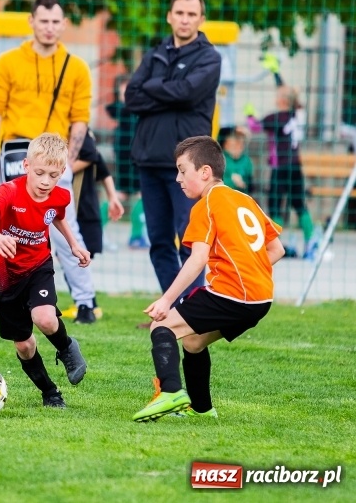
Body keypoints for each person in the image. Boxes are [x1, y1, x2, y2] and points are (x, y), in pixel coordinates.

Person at [132, 136, 284, 422]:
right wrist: (249, 269)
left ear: (204, 172)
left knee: (161, 325)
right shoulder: (246, 200)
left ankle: (170, 392)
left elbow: (198, 258)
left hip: (231, 294)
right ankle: (202, 410)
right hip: (261, 300)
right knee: (193, 341)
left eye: (182, 170)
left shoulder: (206, 204)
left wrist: (166, 300)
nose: (178, 179)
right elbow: (277, 249)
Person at [0, 0, 98, 324]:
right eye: (43, 21)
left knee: (65, 227)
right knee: (10, 228)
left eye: (55, 21)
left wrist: (68, 162)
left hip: (56, 159)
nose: (49, 27)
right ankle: (6, 293)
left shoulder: (76, 67)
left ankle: (85, 300)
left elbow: (80, 119)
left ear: (64, 24)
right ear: (31, 21)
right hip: (17, 155)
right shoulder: (7, 61)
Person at [0, 133, 91, 408]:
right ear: (26, 166)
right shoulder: (9, 191)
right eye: (39, 173)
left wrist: (74, 245)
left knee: (45, 319)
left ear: (63, 172)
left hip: (38, 266)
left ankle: (66, 347)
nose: (46, 181)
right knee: (24, 345)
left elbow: (56, 215)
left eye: (53, 175)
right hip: (7, 278)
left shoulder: (60, 195)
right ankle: (50, 391)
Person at [125, 0, 221, 328]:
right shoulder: (155, 54)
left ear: (201, 19)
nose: (184, 19)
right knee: (160, 242)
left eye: (191, 14)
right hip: (149, 161)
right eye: (179, 12)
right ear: (169, 16)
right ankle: (170, 312)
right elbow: (131, 97)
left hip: (188, 165)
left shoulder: (209, 58)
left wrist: (154, 88)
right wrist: (169, 91)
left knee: (191, 241)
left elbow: (188, 93)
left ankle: (193, 315)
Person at [245, 86, 315, 257]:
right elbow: (290, 93)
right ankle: (312, 243)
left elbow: (254, 127)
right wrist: (276, 75)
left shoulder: (275, 118)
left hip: (280, 167)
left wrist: (249, 114)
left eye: (278, 95)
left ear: (283, 100)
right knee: (299, 204)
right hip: (295, 166)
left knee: (275, 205)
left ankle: (275, 246)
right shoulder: (296, 115)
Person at [67, 130, 124, 322]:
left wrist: (113, 197)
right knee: (69, 259)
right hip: (70, 213)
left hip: (85, 212)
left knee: (81, 258)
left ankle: (89, 304)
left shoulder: (84, 142)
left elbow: (100, 167)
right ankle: (83, 302)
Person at [105, 74, 148, 248]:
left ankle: (137, 235)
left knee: (141, 194)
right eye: (123, 88)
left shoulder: (140, 108)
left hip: (140, 157)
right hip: (125, 159)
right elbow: (113, 110)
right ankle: (97, 230)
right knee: (121, 193)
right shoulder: (121, 109)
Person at [220, 127, 254, 193]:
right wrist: (232, 181)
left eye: (240, 146)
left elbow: (250, 184)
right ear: (225, 145)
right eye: (233, 146)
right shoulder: (222, 159)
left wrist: (243, 184)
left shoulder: (246, 161)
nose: (237, 149)